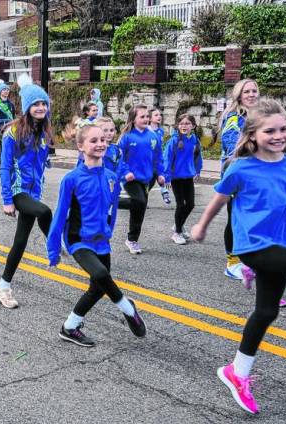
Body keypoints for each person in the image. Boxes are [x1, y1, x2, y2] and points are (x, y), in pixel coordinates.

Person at [192, 100, 286, 415]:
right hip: (254, 246)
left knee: (267, 312)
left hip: (281, 244)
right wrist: (201, 225)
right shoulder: (241, 168)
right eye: (269, 131)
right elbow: (219, 197)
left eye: (283, 128)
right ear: (253, 135)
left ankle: (237, 373)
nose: (278, 135)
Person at [47, 124, 147, 347]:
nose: (100, 143)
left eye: (103, 139)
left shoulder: (112, 177)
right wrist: (53, 250)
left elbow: (109, 210)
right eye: (93, 140)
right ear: (81, 146)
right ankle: (128, 309)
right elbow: (60, 215)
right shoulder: (71, 179)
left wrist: (109, 231)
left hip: (102, 241)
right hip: (78, 240)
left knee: (98, 288)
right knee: (102, 275)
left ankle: (69, 327)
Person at [0, 77, 52, 309]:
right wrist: (7, 200)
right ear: (27, 107)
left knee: (20, 241)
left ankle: (3, 286)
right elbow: (5, 167)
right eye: (36, 104)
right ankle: (56, 245)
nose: (40, 107)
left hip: (34, 191)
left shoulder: (43, 132)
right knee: (45, 212)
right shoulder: (13, 132)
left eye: (44, 104)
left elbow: (40, 161)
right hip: (18, 191)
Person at [219, 79, 259, 280]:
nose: (251, 94)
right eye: (247, 92)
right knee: (235, 218)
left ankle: (249, 258)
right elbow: (231, 146)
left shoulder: (260, 116)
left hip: (258, 177)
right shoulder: (234, 118)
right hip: (237, 174)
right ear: (239, 95)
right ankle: (232, 262)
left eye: (254, 91)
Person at [118, 104, 165, 254]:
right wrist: (125, 172)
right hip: (131, 179)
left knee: (140, 209)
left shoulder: (153, 136)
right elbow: (119, 158)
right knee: (139, 201)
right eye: (142, 116)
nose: (146, 119)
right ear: (133, 119)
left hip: (148, 179)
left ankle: (132, 240)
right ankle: (110, 201)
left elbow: (158, 158)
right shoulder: (127, 137)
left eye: (147, 116)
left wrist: (161, 174)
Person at [163, 113, 203, 245]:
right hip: (176, 177)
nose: (184, 126)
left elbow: (198, 156)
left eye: (187, 123)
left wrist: (197, 170)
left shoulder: (194, 140)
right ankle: (177, 233)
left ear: (193, 125)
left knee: (190, 204)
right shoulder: (173, 141)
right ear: (177, 125)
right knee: (180, 205)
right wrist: (167, 177)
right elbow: (167, 159)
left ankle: (178, 225)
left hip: (188, 177)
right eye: (181, 123)